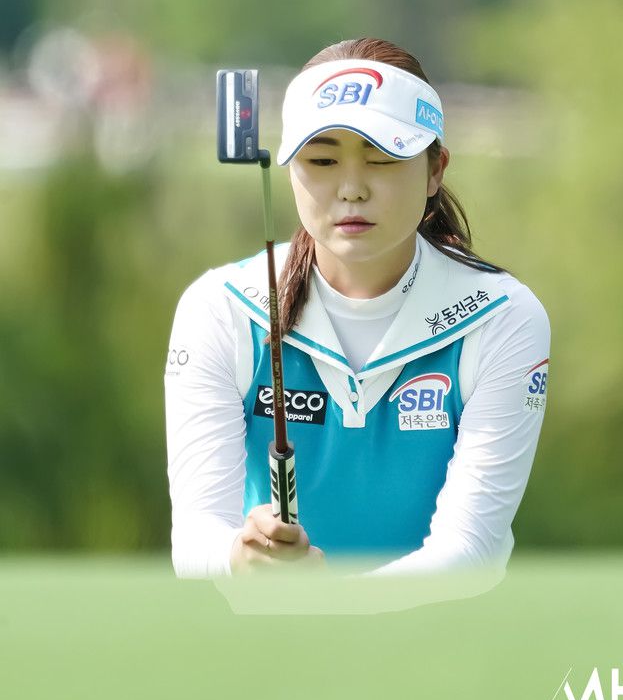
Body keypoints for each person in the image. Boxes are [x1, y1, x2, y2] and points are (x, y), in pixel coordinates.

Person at [164, 37, 550, 579]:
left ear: (435, 170)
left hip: (442, 633)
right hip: (267, 630)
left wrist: (328, 602)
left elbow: (470, 552)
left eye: (382, 159)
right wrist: (240, 559)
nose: (351, 189)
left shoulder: (502, 315)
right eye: (322, 160)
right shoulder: (220, 308)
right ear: (289, 168)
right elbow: (196, 538)